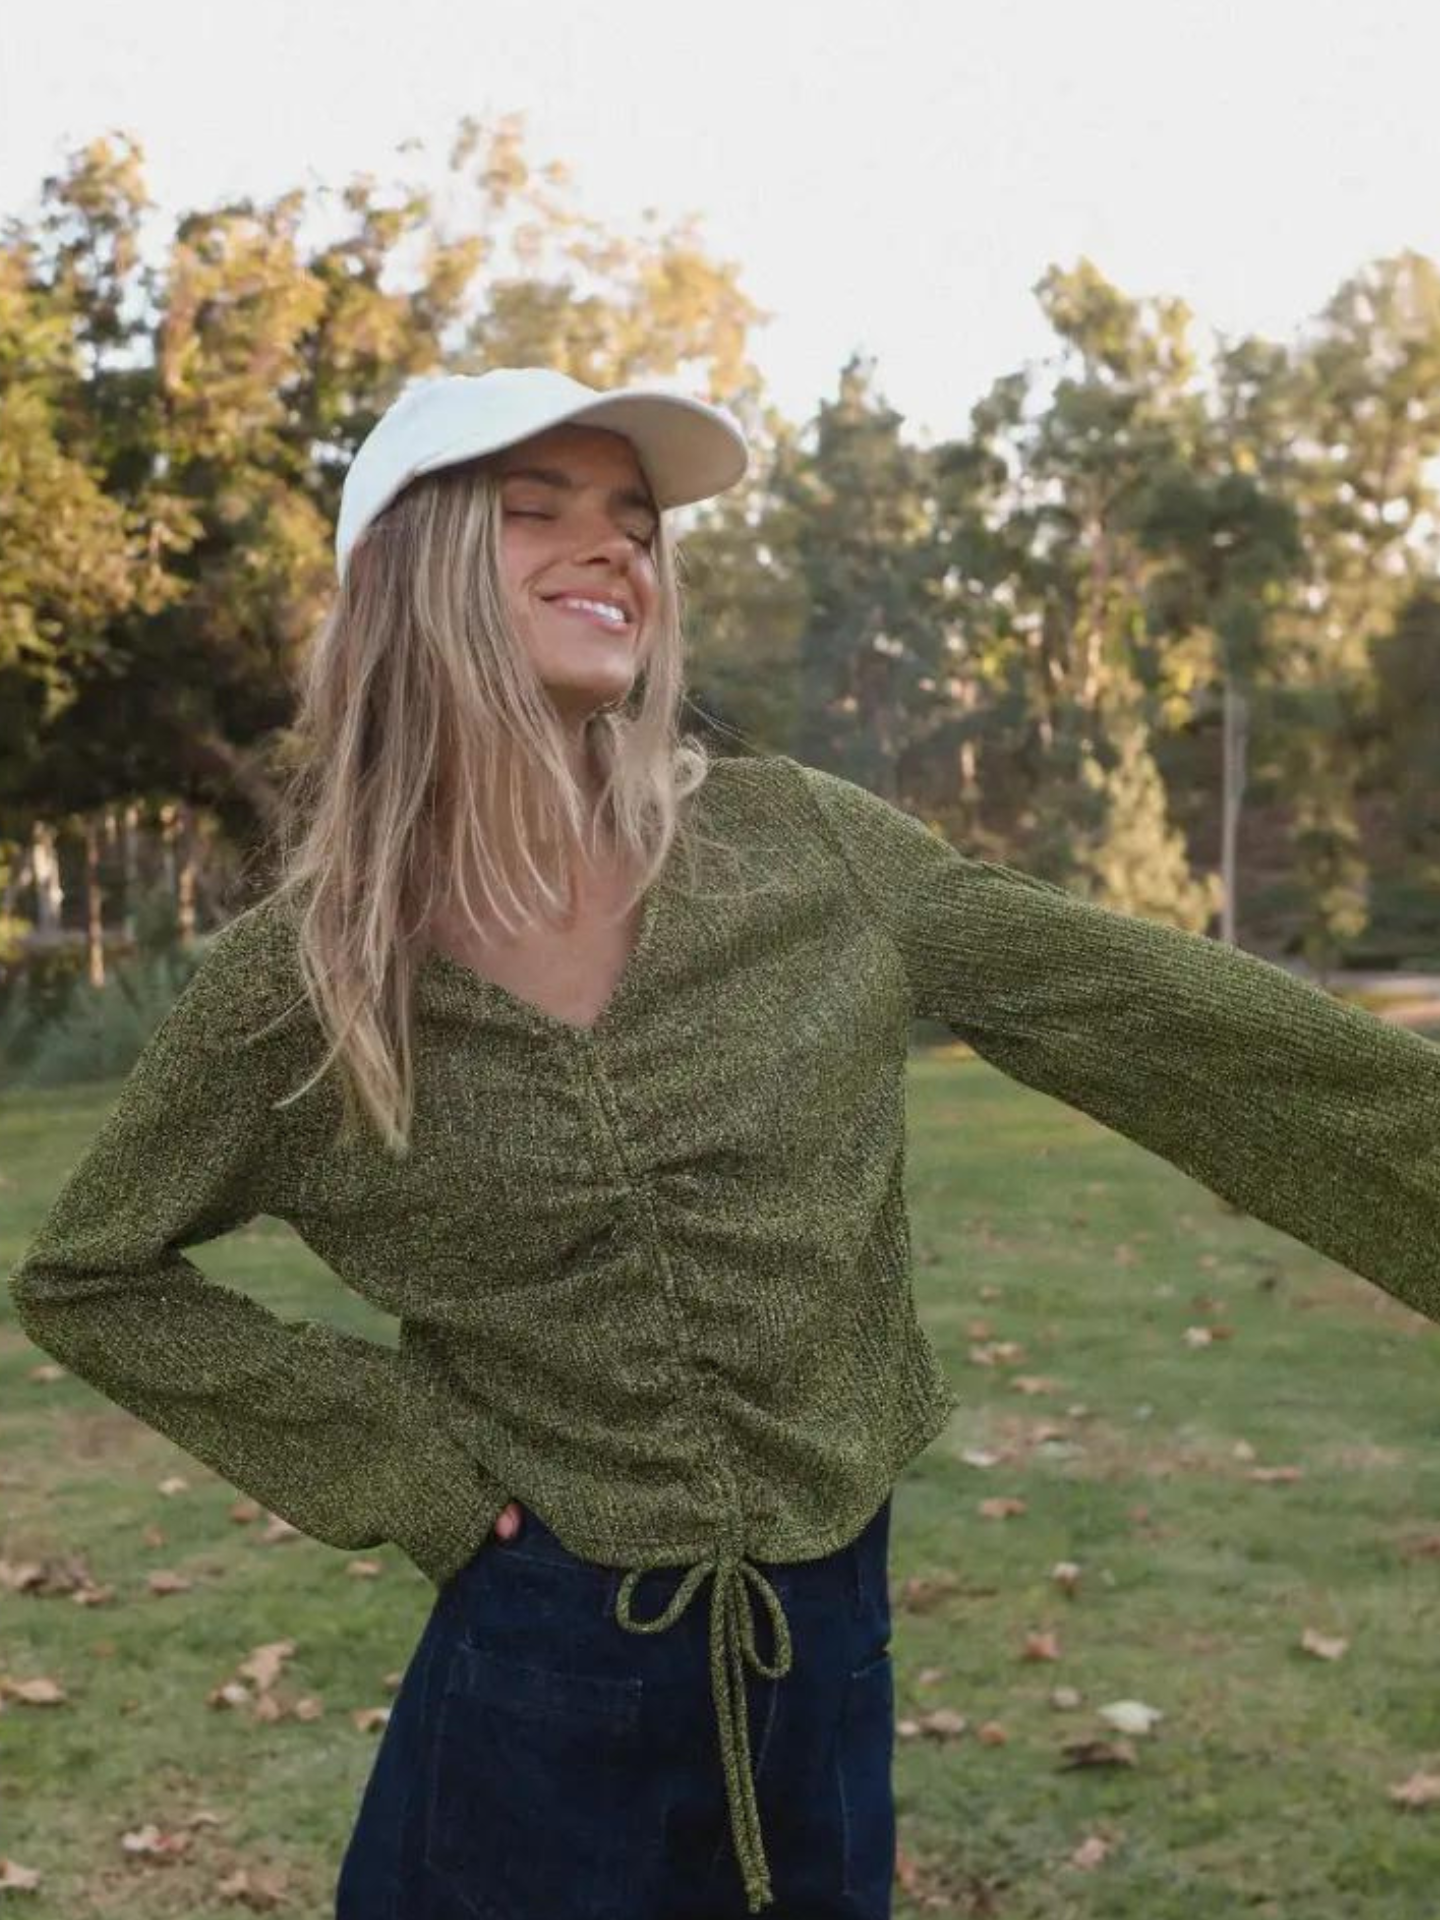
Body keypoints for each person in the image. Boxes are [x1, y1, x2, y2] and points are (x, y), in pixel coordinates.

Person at [11, 366, 1440, 1920]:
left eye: (635, 524)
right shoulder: (306, 984)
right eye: (533, 510)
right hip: (536, 1665)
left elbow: (1173, 1025)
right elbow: (91, 1274)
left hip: (825, 1649)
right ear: (405, 576)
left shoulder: (804, 852)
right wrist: (410, 1469)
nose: (613, 548)